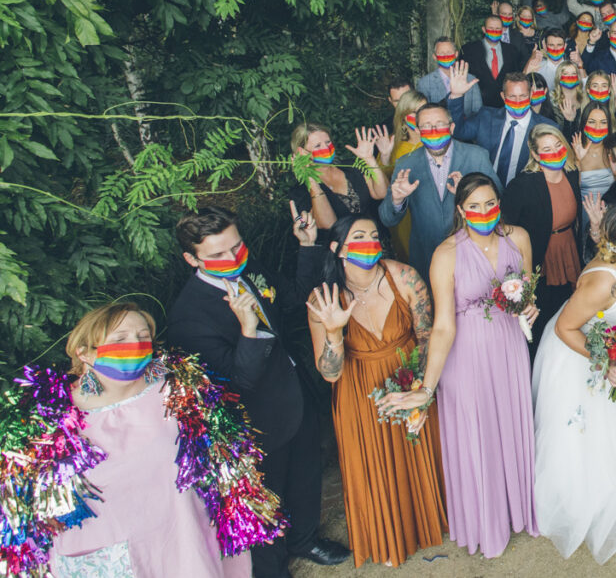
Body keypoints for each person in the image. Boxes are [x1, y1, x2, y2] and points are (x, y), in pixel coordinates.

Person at [168, 206, 349, 577]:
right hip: (253, 421)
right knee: (268, 496)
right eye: (217, 254)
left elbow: (294, 298)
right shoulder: (188, 316)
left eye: (236, 247)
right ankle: (271, 569)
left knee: (305, 473)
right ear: (191, 258)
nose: (232, 257)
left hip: (292, 393)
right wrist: (248, 331)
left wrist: (308, 246)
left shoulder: (249, 269)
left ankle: (304, 539)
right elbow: (236, 383)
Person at [40, 303, 266, 577]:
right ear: (84, 352)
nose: (135, 344)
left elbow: (226, 464)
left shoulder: (177, 389)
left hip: (183, 542)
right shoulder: (53, 417)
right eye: (120, 339)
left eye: (142, 336)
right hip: (104, 555)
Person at [384, 173, 540, 558]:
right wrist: (426, 387)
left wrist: (530, 308)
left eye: (490, 204)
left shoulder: (517, 238)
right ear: (460, 210)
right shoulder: (446, 253)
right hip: (467, 356)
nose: (483, 212)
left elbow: (526, 289)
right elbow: (442, 326)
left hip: (509, 347)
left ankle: (518, 509)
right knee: (479, 432)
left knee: (510, 422)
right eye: (474, 206)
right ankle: (486, 522)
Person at [305, 217, 447, 568]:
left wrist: (420, 389)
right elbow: (330, 373)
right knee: (374, 464)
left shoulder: (405, 277)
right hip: (358, 392)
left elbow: (428, 336)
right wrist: (335, 333)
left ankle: (429, 522)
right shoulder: (322, 300)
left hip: (408, 374)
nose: (369, 242)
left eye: (373, 235)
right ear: (337, 249)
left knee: (416, 451)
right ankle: (389, 535)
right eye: (358, 237)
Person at [531, 200, 616, 563]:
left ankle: (613, 488)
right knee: (585, 433)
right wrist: (605, 361)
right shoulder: (603, 282)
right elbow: (564, 327)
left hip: (614, 345)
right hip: (580, 355)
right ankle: (581, 500)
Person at [379, 100, 498, 282]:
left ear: (451, 128)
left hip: (474, 257)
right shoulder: (406, 164)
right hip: (427, 260)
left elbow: (500, 199)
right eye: (426, 126)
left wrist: (470, 193)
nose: (433, 131)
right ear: (418, 131)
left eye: (440, 125)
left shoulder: (477, 156)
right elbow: (387, 218)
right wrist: (397, 200)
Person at [502, 125, 583, 348]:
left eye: (558, 145)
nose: (555, 152)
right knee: (544, 319)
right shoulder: (522, 185)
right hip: (541, 259)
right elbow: (507, 229)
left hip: (569, 253)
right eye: (547, 149)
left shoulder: (572, 173)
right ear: (536, 155)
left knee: (569, 312)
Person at [447, 67, 556, 186]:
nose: (518, 101)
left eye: (523, 96)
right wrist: (456, 96)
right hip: (486, 191)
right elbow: (458, 131)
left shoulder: (548, 128)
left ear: (531, 95)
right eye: (512, 97)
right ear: (503, 96)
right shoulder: (485, 117)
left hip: (526, 195)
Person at [289, 121, 390, 235]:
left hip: (376, 239)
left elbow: (382, 193)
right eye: (318, 145)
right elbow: (328, 224)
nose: (326, 148)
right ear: (302, 152)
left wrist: (369, 159)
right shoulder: (301, 191)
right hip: (340, 249)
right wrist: (311, 181)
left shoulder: (351, 166)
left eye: (328, 142)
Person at [384, 89, 427, 260]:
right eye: (414, 112)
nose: (419, 117)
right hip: (407, 217)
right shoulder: (393, 146)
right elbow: (382, 186)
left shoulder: (438, 142)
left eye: (423, 110)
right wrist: (385, 156)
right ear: (403, 116)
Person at [461, 16, 526, 108]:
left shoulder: (512, 50)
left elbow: (516, 76)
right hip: (477, 107)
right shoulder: (469, 50)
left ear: (503, 30)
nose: (494, 31)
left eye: (497, 29)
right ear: (484, 29)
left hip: (505, 107)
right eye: (490, 28)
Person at [417, 35, 482, 118]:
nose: (445, 56)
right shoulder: (425, 83)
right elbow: (423, 115)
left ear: (456, 54)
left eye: (449, 52)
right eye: (441, 53)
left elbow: (478, 113)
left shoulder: (471, 80)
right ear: (434, 57)